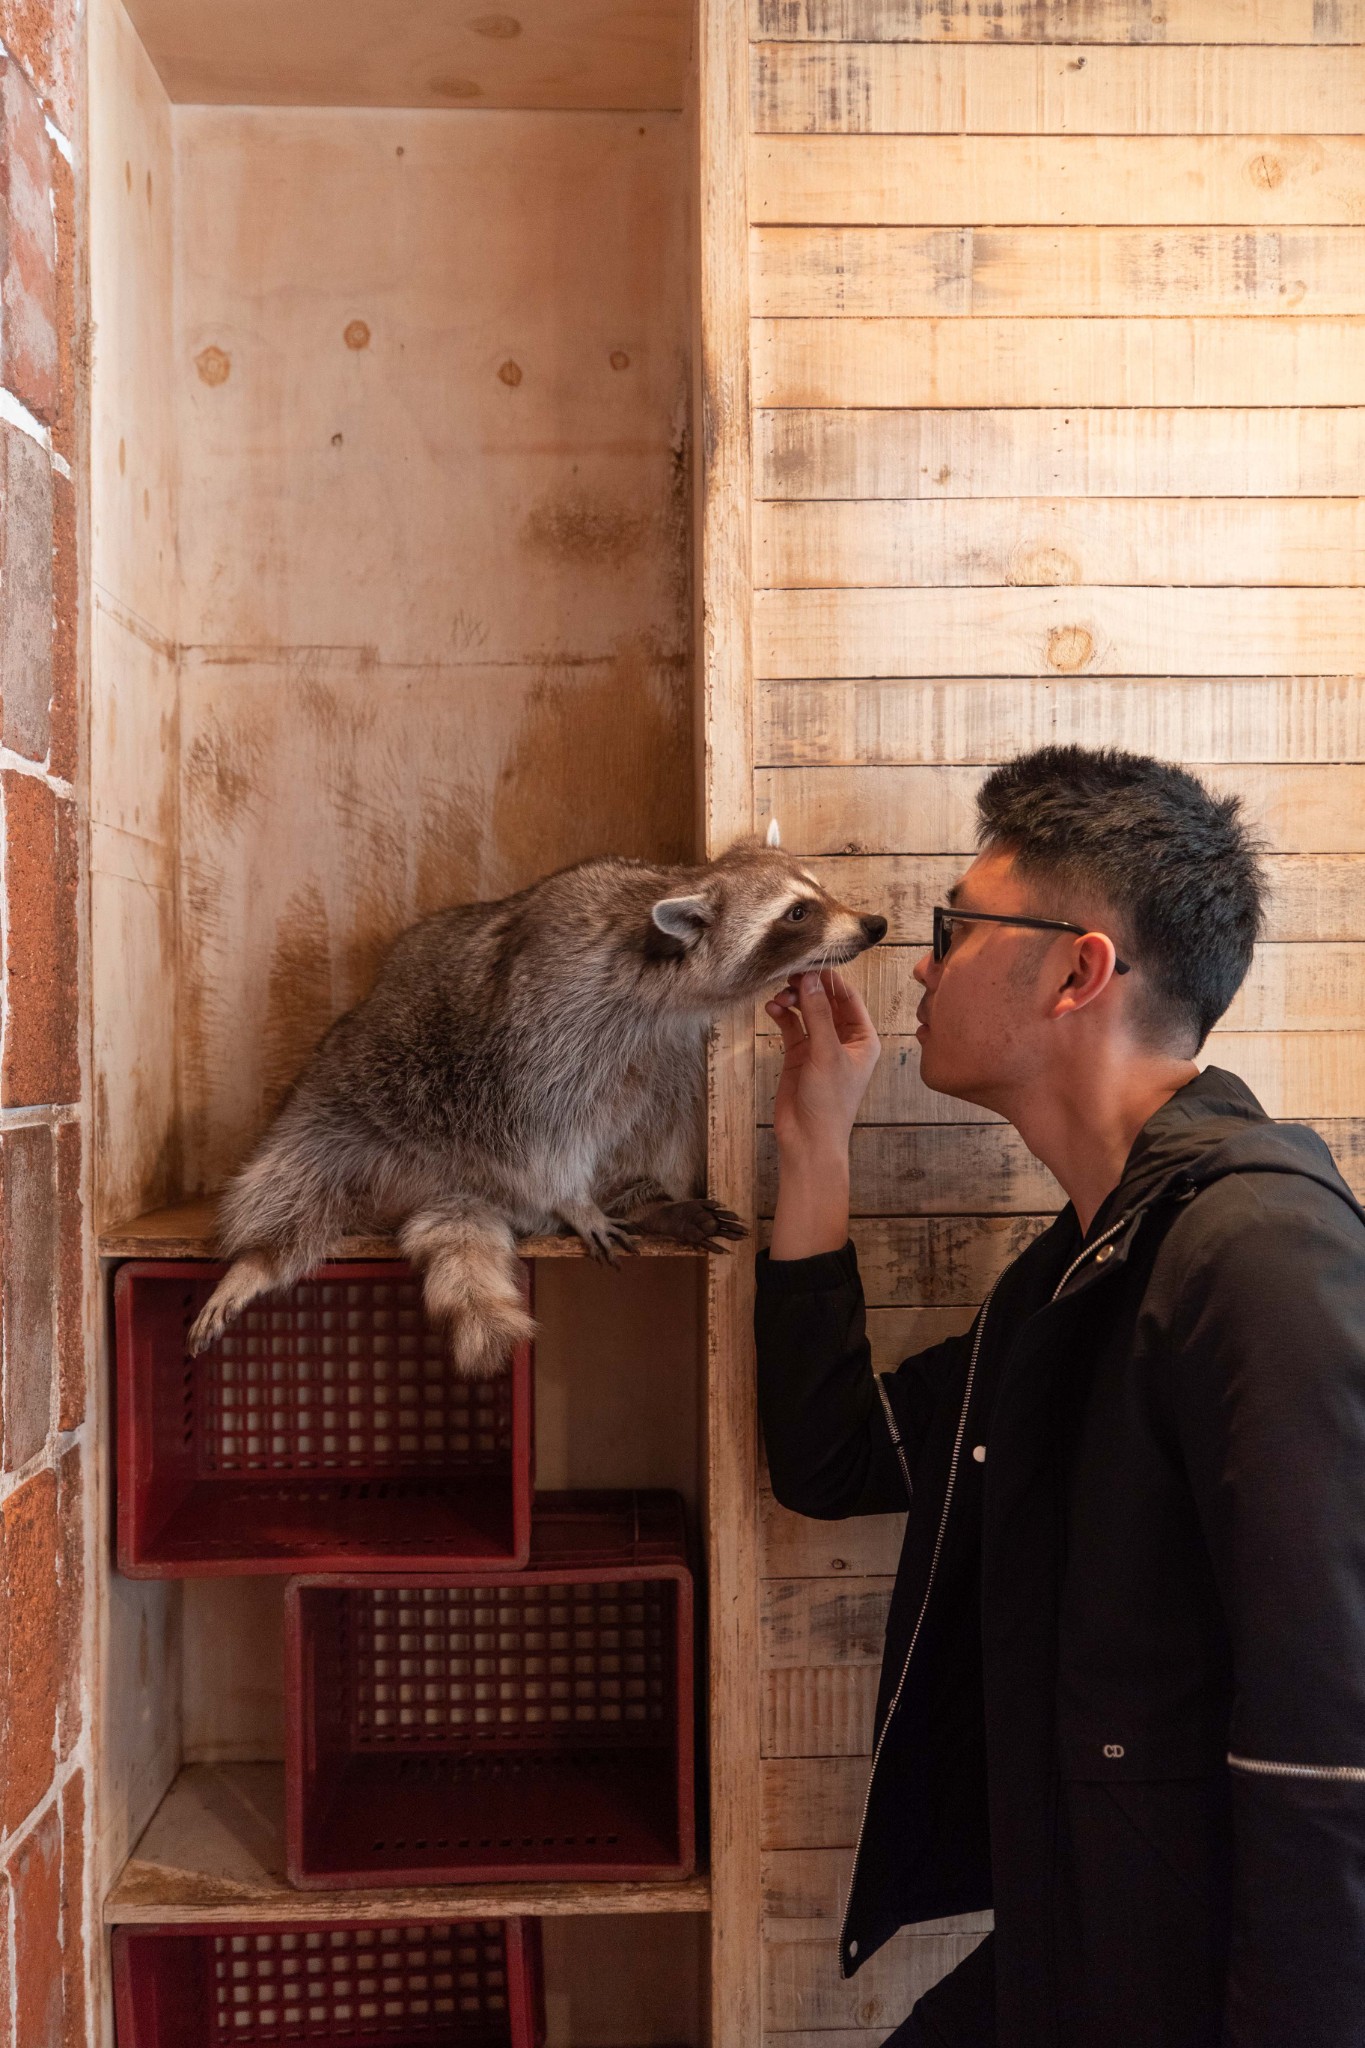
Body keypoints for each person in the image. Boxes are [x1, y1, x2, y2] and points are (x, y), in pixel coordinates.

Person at [755, 746, 1365, 2048]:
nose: (919, 967)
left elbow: (1333, 1747)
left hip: (1194, 1988)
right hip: (1074, 1949)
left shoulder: (1252, 1255)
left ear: (1078, 970)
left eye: (954, 930)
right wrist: (814, 1138)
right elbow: (833, 1459)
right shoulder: (1075, 1274)